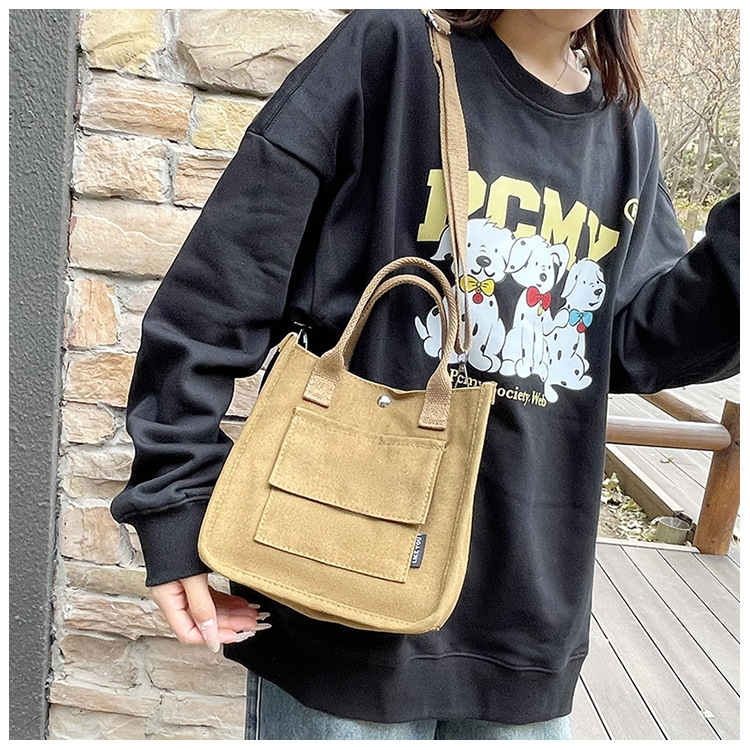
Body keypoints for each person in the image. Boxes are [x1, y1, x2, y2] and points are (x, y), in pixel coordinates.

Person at [110, 9, 740, 741]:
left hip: (523, 629)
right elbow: (220, 291)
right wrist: (174, 502)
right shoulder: (391, 54)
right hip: (338, 601)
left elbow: (630, 343)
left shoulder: (626, 128)